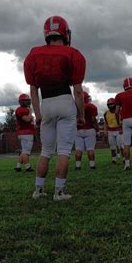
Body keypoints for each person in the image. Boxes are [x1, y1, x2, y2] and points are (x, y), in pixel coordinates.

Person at [24, 15, 86, 201]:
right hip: (65, 101)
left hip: (46, 103)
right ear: (65, 33)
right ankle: (59, 192)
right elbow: (78, 91)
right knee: (64, 151)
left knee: (45, 151)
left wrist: (38, 114)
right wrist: (81, 114)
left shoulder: (33, 54)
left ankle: (38, 190)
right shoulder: (73, 53)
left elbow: (33, 90)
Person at [75, 91, 99, 170]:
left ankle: (78, 166)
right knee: (90, 149)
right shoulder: (91, 106)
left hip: (78, 130)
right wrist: (97, 129)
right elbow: (93, 119)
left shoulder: (75, 107)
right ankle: (92, 165)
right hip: (89, 129)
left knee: (78, 150)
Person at [15, 93, 36, 172]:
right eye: (26, 101)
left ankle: (18, 166)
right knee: (26, 152)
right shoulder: (22, 110)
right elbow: (27, 119)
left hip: (25, 133)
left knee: (24, 151)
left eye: (28, 100)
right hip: (26, 133)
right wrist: (30, 112)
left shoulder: (23, 109)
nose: (28, 102)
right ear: (22, 102)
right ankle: (27, 167)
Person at [104, 97, 123, 164]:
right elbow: (106, 123)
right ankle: (114, 159)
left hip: (118, 130)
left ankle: (124, 158)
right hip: (110, 131)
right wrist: (105, 131)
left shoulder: (120, 111)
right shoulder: (106, 113)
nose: (110, 106)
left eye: (111, 104)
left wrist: (122, 128)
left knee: (121, 146)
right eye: (109, 104)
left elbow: (123, 121)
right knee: (112, 146)